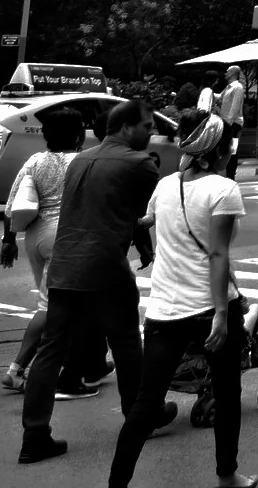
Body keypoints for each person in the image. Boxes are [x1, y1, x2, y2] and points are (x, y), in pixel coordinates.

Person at [20, 98, 172, 464]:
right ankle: (139, 417)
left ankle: (35, 435)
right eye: (147, 126)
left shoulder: (81, 159)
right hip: (105, 266)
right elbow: (137, 215)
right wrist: (145, 247)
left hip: (65, 266)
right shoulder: (141, 164)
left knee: (50, 350)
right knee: (125, 343)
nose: (152, 133)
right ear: (124, 128)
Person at [112, 111, 255, 488]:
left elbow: (147, 223)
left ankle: (117, 483)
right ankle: (228, 475)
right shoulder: (223, 189)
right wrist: (223, 314)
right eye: (229, 145)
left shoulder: (165, 186)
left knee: (145, 403)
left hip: (163, 310)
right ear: (217, 150)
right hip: (210, 309)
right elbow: (218, 254)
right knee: (226, 394)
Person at [1, 106, 90, 392]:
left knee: (57, 304)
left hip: (35, 237)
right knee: (51, 307)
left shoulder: (35, 161)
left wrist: (8, 240)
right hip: (65, 238)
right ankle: (17, 370)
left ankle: (84, 364)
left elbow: (12, 204)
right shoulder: (83, 162)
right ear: (79, 134)